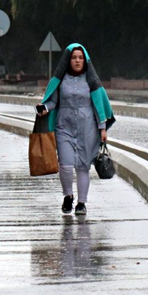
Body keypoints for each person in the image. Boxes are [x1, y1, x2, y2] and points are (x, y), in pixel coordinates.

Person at [36, 44, 115, 216]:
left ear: (85, 60)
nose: (77, 61)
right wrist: (44, 108)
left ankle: (81, 203)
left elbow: (98, 106)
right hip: (64, 127)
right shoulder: (59, 80)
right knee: (65, 165)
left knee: (82, 167)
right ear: (68, 60)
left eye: (80, 57)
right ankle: (68, 196)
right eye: (73, 58)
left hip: (88, 128)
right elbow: (53, 102)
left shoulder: (91, 81)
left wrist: (102, 129)